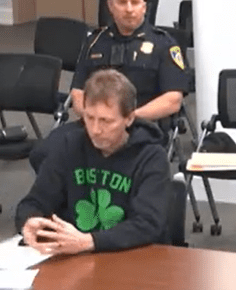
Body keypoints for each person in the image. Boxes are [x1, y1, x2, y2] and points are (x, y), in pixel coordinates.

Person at [16, 69, 170, 255]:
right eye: (89, 118)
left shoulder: (151, 156)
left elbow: (148, 224)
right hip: (75, 255)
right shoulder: (68, 146)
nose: (96, 130)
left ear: (129, 118)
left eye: (106, 121)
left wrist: (91, 241)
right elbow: (34, 202)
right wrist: (29, 221)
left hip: (130, 256)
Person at [30, 0, 188, 171]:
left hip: (138, 126)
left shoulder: (164, 44)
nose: (129, 9)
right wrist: (95, 120)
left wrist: (125, 119)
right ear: (111, 7)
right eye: (122, 3)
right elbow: (77, 93)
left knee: (112, 161)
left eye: (135, 3)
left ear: (144, 6)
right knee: (43, 153)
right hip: (94, 125)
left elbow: (173, 100)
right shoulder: (95, 42)